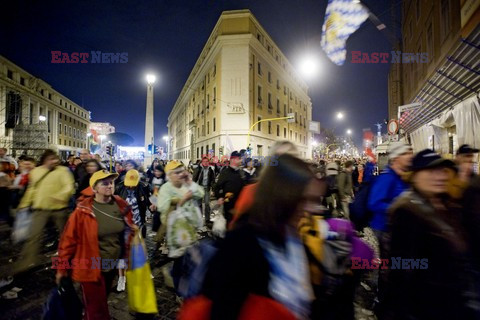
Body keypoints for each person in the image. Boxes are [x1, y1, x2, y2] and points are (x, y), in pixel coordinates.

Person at [202, 154, 317, 319]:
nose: (309, 209)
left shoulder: (295, 239)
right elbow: (222, 307)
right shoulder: (240, 246)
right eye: (303, 199)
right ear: (283, 195)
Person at [383, 149, 480, 319]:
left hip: (455, 300)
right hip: (430, 306)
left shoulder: (444, 203)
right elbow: (401, 268)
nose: (440, 176)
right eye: (431, 171)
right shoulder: (407, 211)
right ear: (415, 175)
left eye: (443, 171)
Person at [56, 170, 135, 320]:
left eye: (111, 182)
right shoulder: (82, 211)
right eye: (104, 183)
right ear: (94, 188)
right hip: (90, 266)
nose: (109, 186)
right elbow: (67, 241)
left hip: (112, 263)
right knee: (96, 307)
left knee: (100, 301)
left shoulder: (120, 204)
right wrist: (62, 269)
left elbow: (126, 231)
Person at [15, 149, 75, 273]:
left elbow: (69, 186)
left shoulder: (63, 171)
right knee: (34, 236)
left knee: (65, 236)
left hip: (59, 209)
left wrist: (60, 196)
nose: (55, 161)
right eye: (51, 159)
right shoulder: (36, 172)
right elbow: (32, 189)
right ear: (45, 160)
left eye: (56, 158)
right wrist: (24, 204)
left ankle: (68, 260)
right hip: (40, 209)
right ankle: (28, 262)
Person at [156, 161, 204, 288]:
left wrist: (190, 183)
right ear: (169, 175)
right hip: (175, 231)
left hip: (189, 228)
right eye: (177, 173)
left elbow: (200, 193)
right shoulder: (166, 188)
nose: (180, 175)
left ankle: (179, 279)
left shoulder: (186, 185)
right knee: (180, 258)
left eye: (181, 171)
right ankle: (178, 287)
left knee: (189, 258)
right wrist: (181, 200)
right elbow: (162, 207)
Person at [115, 169, 151, 238]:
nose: (131, 186)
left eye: (133, 184)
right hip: (124, 224)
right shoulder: (119, 187)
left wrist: (152, 206)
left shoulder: (144, 187)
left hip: (138, 222)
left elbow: (149, 201)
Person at [214, 151, 245, 224]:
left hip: (240, 205)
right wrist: (219, 197)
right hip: (229, 205)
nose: (241, 160)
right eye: (239, 158)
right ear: (233, 160)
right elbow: (217, 187)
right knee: (230, 225)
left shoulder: (241, 172)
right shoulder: (225, 173)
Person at [193, 157, 216, 225]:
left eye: (207, 161)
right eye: (204, 161)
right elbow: (194, 178)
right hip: (199, 188)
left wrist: (213, 189)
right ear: (202, 162)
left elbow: (212, 180)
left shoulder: (210, 170)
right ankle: (199, 219)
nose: (206, 163)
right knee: (199, 204)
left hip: (207, 188)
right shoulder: (198, 169)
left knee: (207, 204)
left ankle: (207, 219)